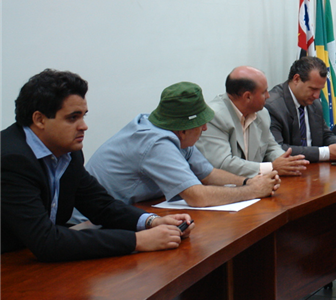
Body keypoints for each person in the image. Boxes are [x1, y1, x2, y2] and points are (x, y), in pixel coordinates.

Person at [0, 69, 193, 262]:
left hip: (28, 258)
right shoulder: (11, 160)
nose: (84, 126)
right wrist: (137, 240)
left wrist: (152, 222)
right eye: (72, 118)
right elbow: (46, 241)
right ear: (39, 119)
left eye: (83, 116)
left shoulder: (68, 153)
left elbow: (101, 205)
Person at [87, 81, 279, 207]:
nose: (205, 128)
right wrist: (252, 191)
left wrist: (247, 181)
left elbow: (208, 173)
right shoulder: (156, 143)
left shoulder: (175, 134)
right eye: (200, 124)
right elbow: (197, 197)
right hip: (89, 223)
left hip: (132, 210)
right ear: (183, 128)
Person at [195, 66, 309, 176]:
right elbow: (222, 164)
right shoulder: (214, 117)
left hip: (255, 185)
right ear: (247, 96)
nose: (268, 96)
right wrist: (271, 167)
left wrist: (286, 162)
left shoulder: (261, 113)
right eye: (264, 92)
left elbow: (270, 147)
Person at [265, 57, 336, 162]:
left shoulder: (314, 103)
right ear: (296, 79)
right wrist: (325, 153)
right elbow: (278, 149)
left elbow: (325, 135)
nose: (317, 96)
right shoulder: (272, 106)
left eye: (320, 90)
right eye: (313, 89)